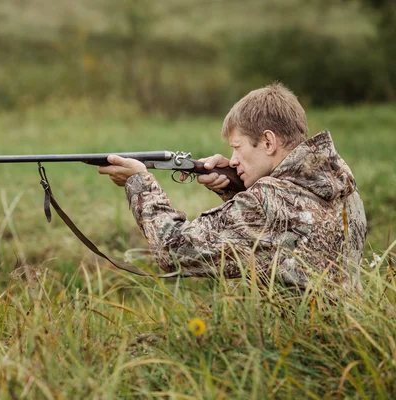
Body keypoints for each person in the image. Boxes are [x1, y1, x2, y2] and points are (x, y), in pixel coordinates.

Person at [98, 83, 367, 289]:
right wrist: (234, 190)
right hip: (344, 338)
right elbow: (281, 234)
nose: (234, 160)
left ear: (269, 142)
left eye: (237, 148)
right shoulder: (340, 185)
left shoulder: (267, 202)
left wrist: (139, 182)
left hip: (293, 349)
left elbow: (174, 251)